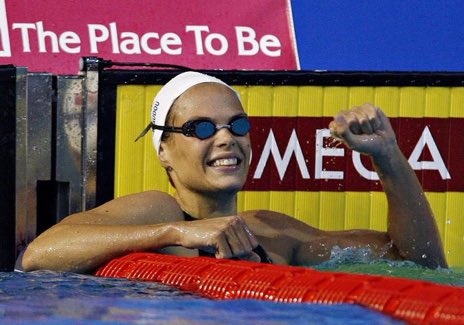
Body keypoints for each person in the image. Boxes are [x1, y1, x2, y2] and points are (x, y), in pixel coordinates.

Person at [21, 72, 447, 274]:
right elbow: (40, 255)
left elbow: (420, 262)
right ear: (165, 152)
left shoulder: (272, 232)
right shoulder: (158, 210)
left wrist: (388, 157)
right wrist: (176, 233)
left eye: (236, 124)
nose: (226, 138)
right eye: (200, 128)